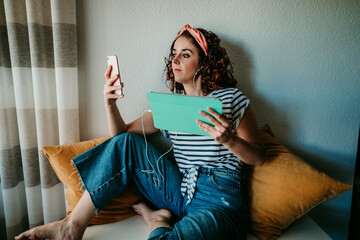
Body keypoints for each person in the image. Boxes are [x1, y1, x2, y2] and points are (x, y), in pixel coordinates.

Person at [15, 24, 265, 240]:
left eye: (185, 54)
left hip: (219, 200)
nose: (175, 60)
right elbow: (121, 138)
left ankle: (156, 221)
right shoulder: (169, 107)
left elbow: (259, 157)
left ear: (205, 62)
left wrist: (229, 140)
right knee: (126, 144)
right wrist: (110, 105)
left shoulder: (230, 99)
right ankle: (72, 226)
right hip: (181, 192)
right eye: (174, 54)